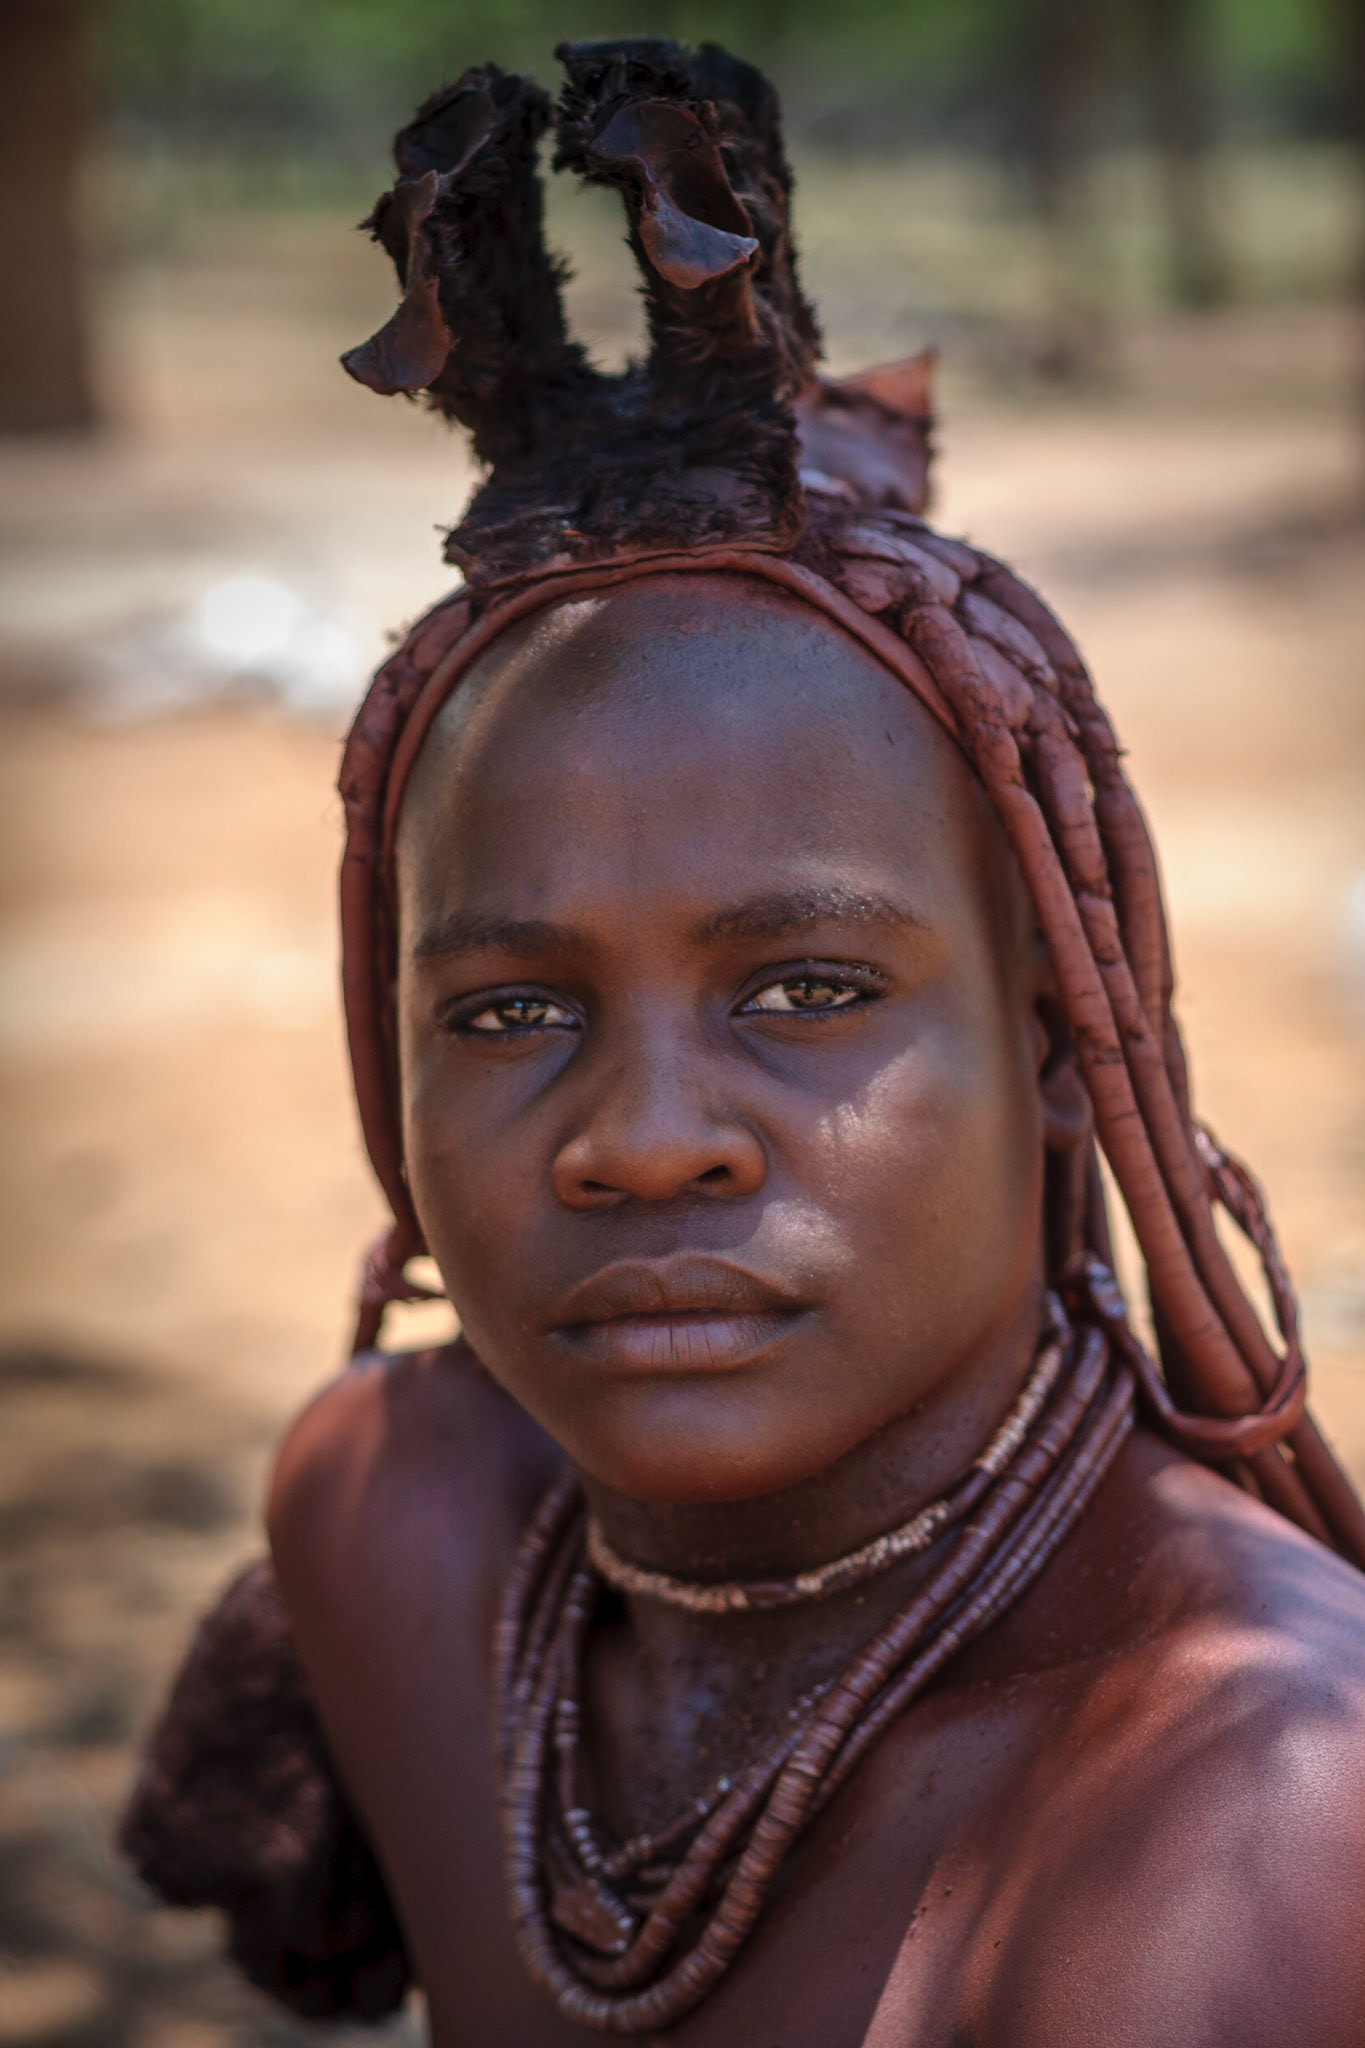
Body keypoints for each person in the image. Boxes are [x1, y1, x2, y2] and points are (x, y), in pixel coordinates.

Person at [121, 39, 1365, 2046]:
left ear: (1060, 1039)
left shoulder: (1239, 1815)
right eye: (510, 1008)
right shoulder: (394, 1521)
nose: (643, 1139)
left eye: (804, 991)